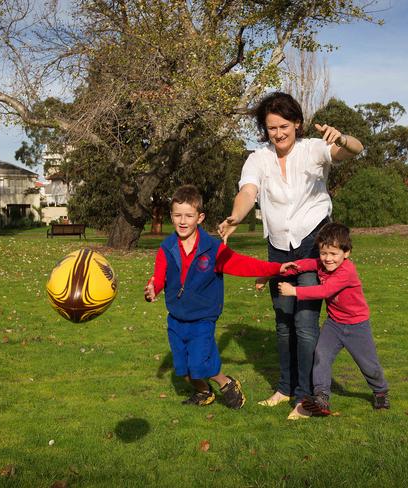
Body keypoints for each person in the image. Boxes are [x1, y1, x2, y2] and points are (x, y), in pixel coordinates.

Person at [218, 92, 363, 419]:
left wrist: (342, 138)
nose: (278, 133)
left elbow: (354, 150)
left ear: (297, 123)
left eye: (284, 125)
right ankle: (284, 387)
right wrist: (236, 217)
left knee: (305, 322)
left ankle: (305, 395)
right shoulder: (258, 159)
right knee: (283, 321)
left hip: (312, 244)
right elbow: (247, 192)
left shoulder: (313, 149)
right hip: (278, 249)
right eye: (271, 128)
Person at [144, 185, 297, 409]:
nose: (183, 221)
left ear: (200, 217)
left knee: (198, 363)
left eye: (189, 215)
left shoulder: (212, 249)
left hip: (203, 317)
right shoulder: (166, 248)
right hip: (176, 318)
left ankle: (226, 383)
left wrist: (275, 268)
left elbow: (243, 264)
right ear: (171, 216)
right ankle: (204, 392)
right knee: (183, 370)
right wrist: (152, 289)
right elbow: (159, 277)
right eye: (178, 215)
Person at [278, 222, 389, 416]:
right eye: (323, 253)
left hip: (357, 326)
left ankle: (380, 391)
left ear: (346, 253)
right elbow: (305, 265)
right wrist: (281, 270)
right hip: (334, 325)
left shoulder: (347, 271)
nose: (327, 259)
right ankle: (321, 398)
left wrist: (294, 290)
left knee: (368, 364)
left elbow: (325, 290)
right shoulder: (321, 264)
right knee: (321, 356)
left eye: (333, 254)